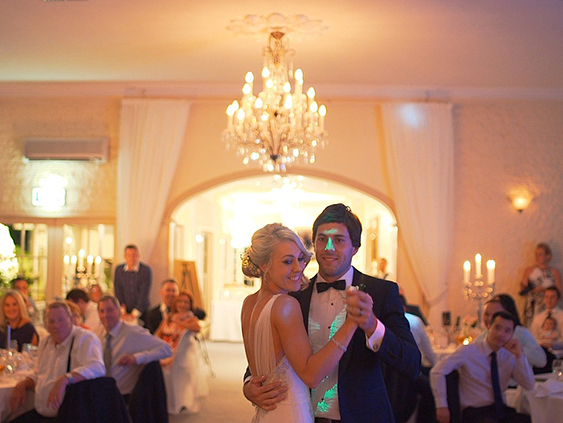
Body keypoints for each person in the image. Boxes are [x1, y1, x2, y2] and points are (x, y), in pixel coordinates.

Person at [244, 204, 420, 423]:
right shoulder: (292, 294)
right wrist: (249, 385)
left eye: (339, 240)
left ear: (355, 247)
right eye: (321, 239)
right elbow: (268, 352)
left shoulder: (382, 292)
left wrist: (372, 325)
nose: (328, 247)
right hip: (304, 415)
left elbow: (412, 364)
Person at [241, 223, 359, 422]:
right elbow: (311, 375)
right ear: (264, 265)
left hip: (268, 413)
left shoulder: (249, 303)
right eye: (288, 261)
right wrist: (351, 323)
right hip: (291, 411)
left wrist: (249, 385)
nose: (298, 268)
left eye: (300, 258)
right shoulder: (285, 304)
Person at [430, 311, 534, 423]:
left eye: (507, 331)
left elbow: (529, 385)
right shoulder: (469, 351)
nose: (501, 334)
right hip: (474, 412)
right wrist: (441, 405)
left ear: (512, 334)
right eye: (497, 328)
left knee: (528, 420)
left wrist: (520, 356)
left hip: (500, 410)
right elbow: (437, 372)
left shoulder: (510, 356)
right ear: (489, 326)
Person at [9, 301, 105, 420]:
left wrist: (66, 378)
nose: (56, 325)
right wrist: (23, 384)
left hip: (71, 416)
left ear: (71, 319)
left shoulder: (85, 338)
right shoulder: (46, 342)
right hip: (42, 413)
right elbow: (38, 373)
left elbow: (97, 367)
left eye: (61, 320)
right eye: (51, 321)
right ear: (46, 324)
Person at [95, 295, 172, 397]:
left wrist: (137, 358)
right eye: (102, 311)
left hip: (123, 397)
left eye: (110, 310)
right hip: (101, 393)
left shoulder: (133, 332)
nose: (106, 315)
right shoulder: (97, 333)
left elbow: (166, 349)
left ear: (119, 311)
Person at [156, 291, 208, 414]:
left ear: (190, 305)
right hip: (168, 351)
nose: (182, 304)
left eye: (186, 302)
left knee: (182, 379)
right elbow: (158, 333)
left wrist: (177, 321)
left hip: (184, 354)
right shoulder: (169, 317)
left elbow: (197, 328)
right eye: (180, 301)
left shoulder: (191, 318)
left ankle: (181, 403)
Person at [473, 295, 547, 369]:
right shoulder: (480, 339)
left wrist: (520, 350)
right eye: (487, 314)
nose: (490, 319)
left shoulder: (521, 333)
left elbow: (541, 361)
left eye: (495, 315)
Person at [519, 242, 562, 326]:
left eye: (540, 254)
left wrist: (544, 290)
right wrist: (526, 287)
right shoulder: (529, 270)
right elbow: (522, 290)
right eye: (536, 254)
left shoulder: (554, 272)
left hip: (548, 305)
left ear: (548, 256)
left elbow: (559, 293)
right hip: (532, 305)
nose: (537, 257)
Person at [113, 244, 152, 324]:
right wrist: (123, 310)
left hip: (141, 311)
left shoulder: (145, 270)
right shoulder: (119, 270)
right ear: (125, 256)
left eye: (134, 255)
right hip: (124, 311)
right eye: (129, 255)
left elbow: (144, 293)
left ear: (138, 255)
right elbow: (118, 289)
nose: (131, 258)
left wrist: (134, 314)